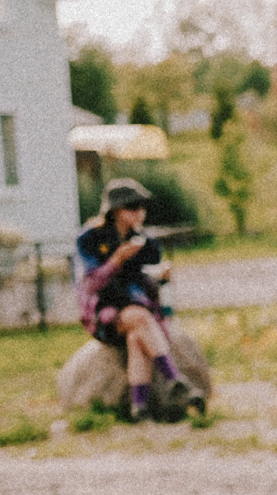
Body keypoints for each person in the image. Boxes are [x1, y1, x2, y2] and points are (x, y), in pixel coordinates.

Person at [76, 179, 199, 423]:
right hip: (105, 314)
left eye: (142, 207)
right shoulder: (90, 240)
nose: (139, 213)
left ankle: (139, 408)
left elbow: (147, 282)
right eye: (132, 207)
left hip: (137, 314)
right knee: (140, 318)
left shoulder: (145, 243)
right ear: (116, 211)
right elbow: (89, 285)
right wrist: (116, 260)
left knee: (136, 338)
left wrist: (159, 276)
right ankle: (174, 378)